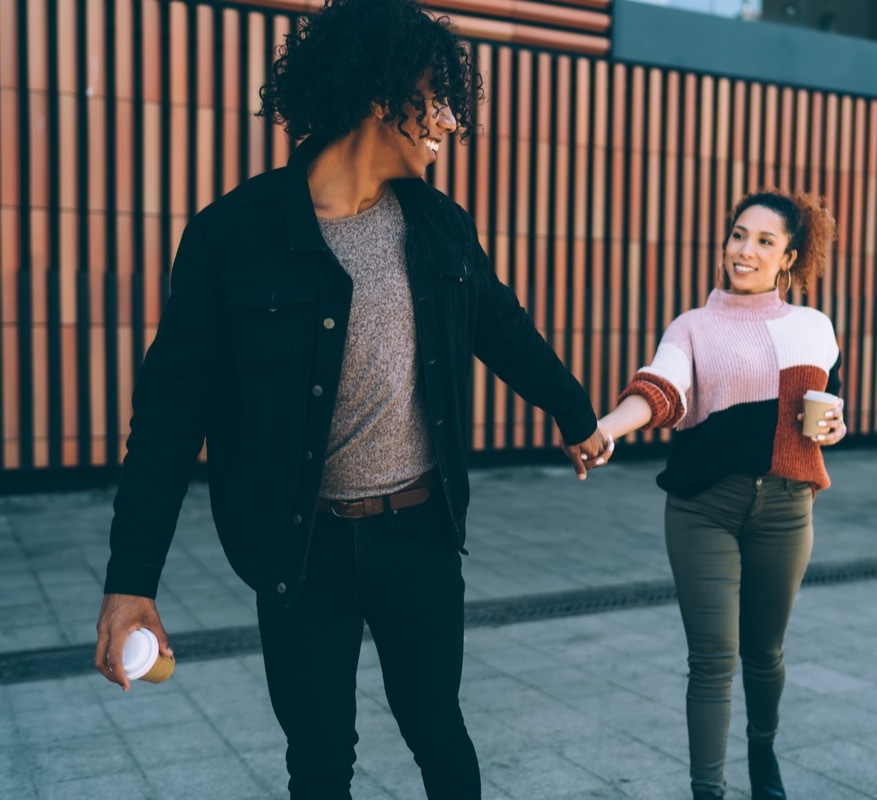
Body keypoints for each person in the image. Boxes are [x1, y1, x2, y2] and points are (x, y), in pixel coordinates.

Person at [91, 1, 611, 797]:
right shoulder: (234, 234)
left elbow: (503, 328)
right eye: (438, 98)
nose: (451, 122)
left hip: (421, 537)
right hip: (303, 552)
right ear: (380, 94)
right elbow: (167, 418)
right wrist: (131, 583)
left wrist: (574, 413)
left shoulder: (439, 224)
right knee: (321, 758)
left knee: (439, 732)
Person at [595, 190, 845, 800]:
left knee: (765, 653)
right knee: (712, 659)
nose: (745, 249)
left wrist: (835, 428)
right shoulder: (692, 327)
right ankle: (707, 790)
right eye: (738, 234)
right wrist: (607, 427)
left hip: (787, 509)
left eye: (764, 240)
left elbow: (825, 412)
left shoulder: (816, 329)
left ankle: (764, 748)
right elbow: (660, 390)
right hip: (702, 509)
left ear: (789, 257)